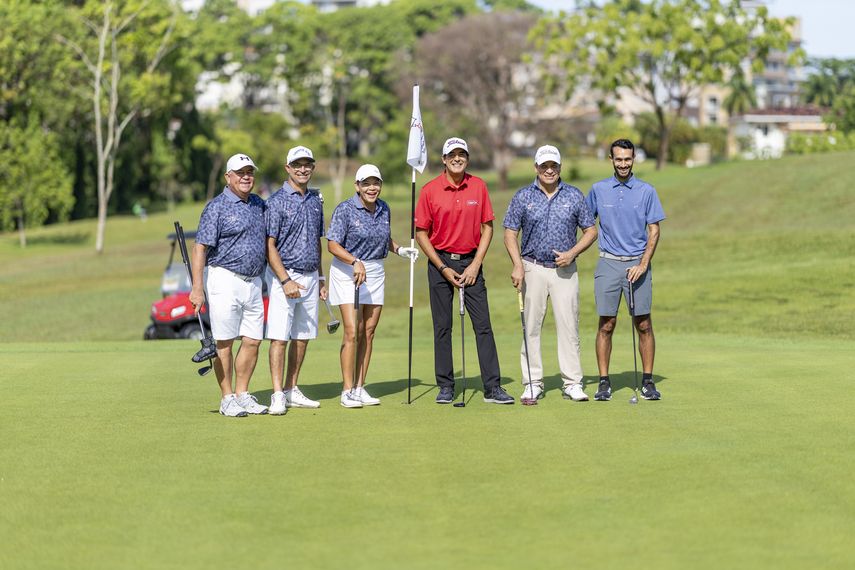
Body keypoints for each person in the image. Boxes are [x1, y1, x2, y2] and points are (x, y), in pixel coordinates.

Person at [415, 137, 513, 405]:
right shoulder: (429, 190)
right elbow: (421, 233)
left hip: (471, 263)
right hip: (440, 263)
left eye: (462, 154)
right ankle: (446, 385)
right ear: (444, 160)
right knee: (442, 327)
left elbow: (488, 227)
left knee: (483, 326)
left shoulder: (478, 186)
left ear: (467, 158)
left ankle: (493, 387)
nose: (457, 158)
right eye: (452, 155)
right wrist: (443, 267)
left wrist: (475, 265)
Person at [503, 145, 597, 403]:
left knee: (569, 326)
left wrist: (573, 253)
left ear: (559, 167)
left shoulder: (574, 195)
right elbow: (510, 232)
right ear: (536, 168)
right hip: (532, 267)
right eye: (544, 166)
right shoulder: (523, 196)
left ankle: (572, 383)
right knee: (530, 327)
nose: (549, 170)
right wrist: (517, 265)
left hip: (565, 270)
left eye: (553, 165)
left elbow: (591, 230)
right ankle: (532, 382)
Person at [326, 164, 419, 408]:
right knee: (352, 331)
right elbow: (333, 245)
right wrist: (354, 261)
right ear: (357, 186)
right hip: (348, 271)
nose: (371, 188)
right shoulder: (345, 210)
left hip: (375, 271)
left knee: (368, 331)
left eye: (375, 183)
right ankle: (346, 390)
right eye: (366, 183)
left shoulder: (384, 208)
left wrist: (399, 249)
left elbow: (381, 238)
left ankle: (359, 387)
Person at [190, 153, 269, 417]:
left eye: (250, 172)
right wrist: (197, 287)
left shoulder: (259, 203)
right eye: (240, 173)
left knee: (253, 340)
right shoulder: (217, 206)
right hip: (224, 279)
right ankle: (227, 398)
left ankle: (243, 394)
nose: (246, 177)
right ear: (228, 177)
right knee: (224, 342)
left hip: (254, 282)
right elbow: (200, 248)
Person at [586, 138, 666, 401]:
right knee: (606, 324)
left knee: (643, 324)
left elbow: (654, 230)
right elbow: (586, 224)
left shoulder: (646, 191)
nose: (623, 164)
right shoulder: (598, 190)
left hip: (637, 264)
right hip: (608, 263)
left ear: (634, 159)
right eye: (618, 159)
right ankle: (604, 382)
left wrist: (642, 264)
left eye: (627, 159)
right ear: (611, 160)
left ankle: (647, 381)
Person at [264, 145, 328, 414]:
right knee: (279, 337)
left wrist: (322, 277)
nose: (303, 169)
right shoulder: (276, 201)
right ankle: (277, 393)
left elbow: (317, 242)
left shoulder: (316, 200)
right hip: (284, 277)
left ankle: (292, 388)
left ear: (312, 168)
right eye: (297, 164)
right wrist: (285, 280)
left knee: (302, 337)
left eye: (307, 164)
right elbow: (269, 245)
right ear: (287, 168)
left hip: (312, 276)